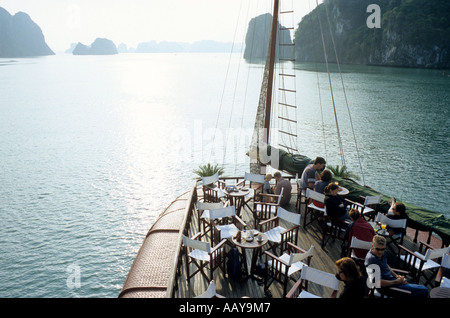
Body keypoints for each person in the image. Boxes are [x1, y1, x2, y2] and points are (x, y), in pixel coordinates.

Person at [364, 235, 428, 298]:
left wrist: (397, 276)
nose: (380, 252)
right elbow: (378, 282)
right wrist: (397, 281)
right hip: (386, 288)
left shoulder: (380, 254)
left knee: (419, 289)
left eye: (382, 249)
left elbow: (386, 265)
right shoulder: (372, 260)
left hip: (392, 281)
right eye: (378, 249)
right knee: (424, 290)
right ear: (372, 246)